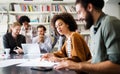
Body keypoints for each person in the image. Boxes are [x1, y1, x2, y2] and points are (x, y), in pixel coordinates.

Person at [54, 0, 120, 74]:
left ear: (89, 7)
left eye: (79, 12)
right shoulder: (93, 28)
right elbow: (96, 60)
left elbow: (116, 65)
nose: (78, 18)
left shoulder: (109, 23)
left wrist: (78, 66)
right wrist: (73, 65)